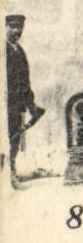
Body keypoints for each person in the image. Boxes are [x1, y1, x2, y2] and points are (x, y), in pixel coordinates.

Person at [6, 14, 44, 183]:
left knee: (14, 138)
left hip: (17, 105)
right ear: (5, 27)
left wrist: (31, 106)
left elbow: (25, 82)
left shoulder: (20, 51)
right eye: (13, 27)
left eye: (20, 28)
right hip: (4, 104)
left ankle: (10, 171)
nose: (17, 31)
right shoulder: (3, 50)